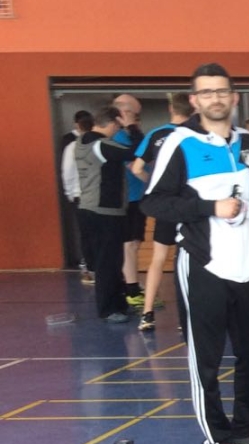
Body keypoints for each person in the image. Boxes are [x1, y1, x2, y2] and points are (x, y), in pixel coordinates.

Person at [143, 64, 249, 444]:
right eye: (206, 93)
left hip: (248, 266)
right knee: (205, 358)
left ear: (234, 97)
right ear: (194, 100)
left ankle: (247, 428)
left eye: (222, 91)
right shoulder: (179, 142)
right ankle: (216, 439)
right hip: (204, 265)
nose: (215, 99)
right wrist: (209, 208)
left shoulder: (245, 141)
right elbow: (153, 201)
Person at [130, 92, 193, 334]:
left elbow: (137, 168)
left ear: (170, 108)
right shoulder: (194, 134)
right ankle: (186, 316)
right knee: (189, 261)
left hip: (166, 206)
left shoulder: (156, 134)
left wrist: (155, 185)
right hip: (189, 205)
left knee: (158, 259)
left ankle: (147, 314)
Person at [75, 107, 132, 324]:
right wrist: (131, 126)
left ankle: (118, 303)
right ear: (114, 122)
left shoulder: (81, 142)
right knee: (108, 261)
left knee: (110, 260)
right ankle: (108, 309)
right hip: (104, 211)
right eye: (118, 125)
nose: (119, 130)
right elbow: (135, 152)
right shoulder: (102, 145)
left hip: (88, 208)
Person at [111, 92, 147, 308]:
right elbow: (136, 164)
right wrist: (153, 181)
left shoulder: (132, 135)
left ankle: (132, 285)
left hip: (137, 196)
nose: (137, 120)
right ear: (124, 113)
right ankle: (131, 289)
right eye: (135, 115)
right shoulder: (118, 138)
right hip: (126, 198)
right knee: (129, 244)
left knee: (135, 242)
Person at [60, 111, 93, 285]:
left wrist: (69, 192)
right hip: (95, 195)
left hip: (79, 195)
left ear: (78, 126)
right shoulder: (100, 144)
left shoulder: (72, 147)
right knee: (96, 232)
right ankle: (94, 266)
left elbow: (67, 172)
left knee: (84, 232)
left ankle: (87, 267)